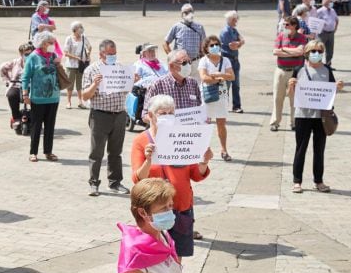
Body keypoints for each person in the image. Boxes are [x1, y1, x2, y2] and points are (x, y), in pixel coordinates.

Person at [131, 93, 212, 257]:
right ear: (151, 116)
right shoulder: (141, 140)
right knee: (153, 256)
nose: (167, 117)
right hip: (154, 210)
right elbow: (138, 179)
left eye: (171, 113)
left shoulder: (181, 136)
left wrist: (203, 162)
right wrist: (148, 160)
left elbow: (196, 175)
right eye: (163, 113)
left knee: (177, 256)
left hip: (181, 207)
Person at [287, 40, 344, 193]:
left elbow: (330, 92)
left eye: (319, 51)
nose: (316, 54)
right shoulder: (299, 69)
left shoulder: (327, 70)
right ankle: (297, 181)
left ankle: (318, 181)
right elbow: (291, 94)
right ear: (306, 52)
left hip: (321, 116)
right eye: (313, 51)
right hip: (303, 115)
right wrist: (291, 85)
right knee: (301, 148)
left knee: (319, 149)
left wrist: (337, 87)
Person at [80, 39, 127, 196]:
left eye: (114, 53)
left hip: (119, 114)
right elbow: (85, 96)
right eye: (110, 54)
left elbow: (126, 90)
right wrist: (94, 84)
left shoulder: (120, 68)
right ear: (101, 53)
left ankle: (115, 183)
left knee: (116, 151)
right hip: (100, 115)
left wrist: (132, 81)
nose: (113, 56)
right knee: (96, 152)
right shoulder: (91, 70)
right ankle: (94, 183)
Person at [21, 31, 63, 163]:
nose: (52, 45)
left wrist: (58, 63)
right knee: (36, 126)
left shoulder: (53, 56)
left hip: (54, 97)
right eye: (50, 43)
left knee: (50, 126)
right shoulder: (33, 57)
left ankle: (48, 151)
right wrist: (25, 93)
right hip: (38, 98)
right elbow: (25, 77)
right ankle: (33, 152)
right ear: (43, 43)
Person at [198, 35, 235, 161]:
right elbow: (204, 78)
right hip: (207, 94)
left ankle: (224, 150)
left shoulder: (225, 60)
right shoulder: (204, 61)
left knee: (221, 123)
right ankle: (205, 149)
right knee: (205, 122)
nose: (214, 47)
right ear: (206, 48)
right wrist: (220, 78)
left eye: (216, 44)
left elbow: (232, 76)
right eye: (211, 45)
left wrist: (219, 75)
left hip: (222, 94)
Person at [270, 16, 308, 132]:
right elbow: (275, 51)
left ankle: (294, 123)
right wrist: (292, 52)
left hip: (295, 71)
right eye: (284, 24)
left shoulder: (301, 37)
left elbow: (300, 51)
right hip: (281, 70)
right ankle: (275, 122)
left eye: (287, 25)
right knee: (278, 97)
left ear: (294, 26)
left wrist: (284, 50)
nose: (284, 26)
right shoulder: (281, 36)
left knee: (294, 99)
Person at [147, 50, 204, 118]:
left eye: (189, 62)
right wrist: (161, 120)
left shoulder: (193, 83)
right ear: (171, 66)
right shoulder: (157, 85)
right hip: (167, 128)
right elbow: (145, 115)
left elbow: (199, 107)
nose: (188, 65)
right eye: (184, 63)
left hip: (190, 127)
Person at [162, 5, 205, 80]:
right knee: (180, 83)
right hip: (181, 63)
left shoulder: (199, 27)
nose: (188, 13)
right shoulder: (177, 26)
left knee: (196, 86)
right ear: (181, 14)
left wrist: (202, 58)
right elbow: (165, 43)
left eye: (190, 11)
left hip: (195, 62)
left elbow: (204, 44)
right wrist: (172, 57)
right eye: (186, 12)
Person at [1, 42, 32, 130]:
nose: (29, 55)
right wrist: (7, 80)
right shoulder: (15, 62)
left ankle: (36, 117)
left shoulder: (35, 62)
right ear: (21, 54)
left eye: (31, 53)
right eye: (26, 54)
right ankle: (16, 117)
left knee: (37, 98)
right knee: (11, 95)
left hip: (31, 86)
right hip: (17, 85)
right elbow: (2, 67)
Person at [218, 11, 245, 113]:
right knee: (226, 84)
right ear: (229, 20)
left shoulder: (234, 30)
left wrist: (239, 43)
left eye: (236, 19)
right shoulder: (225, 32)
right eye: (234, 19)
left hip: (235, 60)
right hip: (227, 60)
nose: (236, 21)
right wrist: (239, 43)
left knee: (236, 85)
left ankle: (236, 106)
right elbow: (232, 46)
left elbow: (242, 40)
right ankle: (222, 106)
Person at [63, 22, 90, 110]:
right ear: (75, 29)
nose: (81, 29)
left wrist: (88, 54)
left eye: (81, 27)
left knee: (80, 84)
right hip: (71, 65)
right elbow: (66, 53)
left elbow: (89, 46)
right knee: (70, 84)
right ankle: (68, 102)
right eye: (79, 27)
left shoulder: (83, 37)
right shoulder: (69, 38)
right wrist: (76, 57)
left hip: (81, 64)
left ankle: (80, 102)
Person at [315, 0, 339, 68]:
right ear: (324, 2)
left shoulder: (332, 10)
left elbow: (336, 19)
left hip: (331, 33)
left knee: (330, 50)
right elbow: (315, 21)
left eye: (331, 2)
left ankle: (328, 65)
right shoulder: (319, 11)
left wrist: (335, 29)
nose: (331, 3)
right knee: (319, 49)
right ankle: (317, 64)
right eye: (330, 2)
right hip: (322, 33)